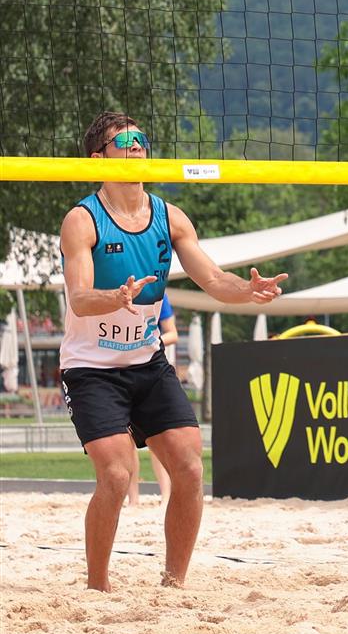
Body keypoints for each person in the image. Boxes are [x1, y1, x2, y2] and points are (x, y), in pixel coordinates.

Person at [59, 112, 287, 592]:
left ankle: (173, 583)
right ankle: (97, 587)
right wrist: (115, 297)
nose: (137, 146)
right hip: (92, 369)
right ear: (98, 158)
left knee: (189, 465)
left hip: (147, 363)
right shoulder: (83, 220)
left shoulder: (170, 217)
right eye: (125, 141)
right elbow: (78, 299)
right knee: (117, 474)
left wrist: (248, 291)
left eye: (141, 139)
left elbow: (215, 280)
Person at [125, 293, 178, 507]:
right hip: (119, 369)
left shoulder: (158, 293)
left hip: (150, 368)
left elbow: (172, 333)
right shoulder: (117, 291)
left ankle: (166, 496)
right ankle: (133, 499)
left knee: (157, 436)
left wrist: (147, 343)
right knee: (126, 438)